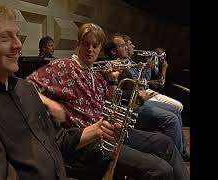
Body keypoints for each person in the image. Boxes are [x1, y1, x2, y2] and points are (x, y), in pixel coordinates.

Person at [0, 4, 122, 180]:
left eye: (17, 36)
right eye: (4, 38)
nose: (18, 44)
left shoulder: (25, 89)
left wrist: (97, 129)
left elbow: (57, 139)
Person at [27, 23, 189, 180]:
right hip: (86, 141)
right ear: (78, 44)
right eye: (86, 45)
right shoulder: (62, 66)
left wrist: (112, 80)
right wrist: (50, 103)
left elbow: (111, 104)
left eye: (95, 46)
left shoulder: (97, 73)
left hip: (108, 132)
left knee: (166, 143)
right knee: (161, 169)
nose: (90, 50)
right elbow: (25, 86)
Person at [103, 33, 190, 161]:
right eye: (122, 46)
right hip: (130, 107)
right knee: (170, 119)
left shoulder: (125, 65)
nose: (127, 47)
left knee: (175, 110)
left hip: (137, 101)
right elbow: (114, 97)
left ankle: (181, 151)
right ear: (113, 51)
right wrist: (137, 93)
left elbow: (138, 84)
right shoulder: (111, 68)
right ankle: (174, 158)